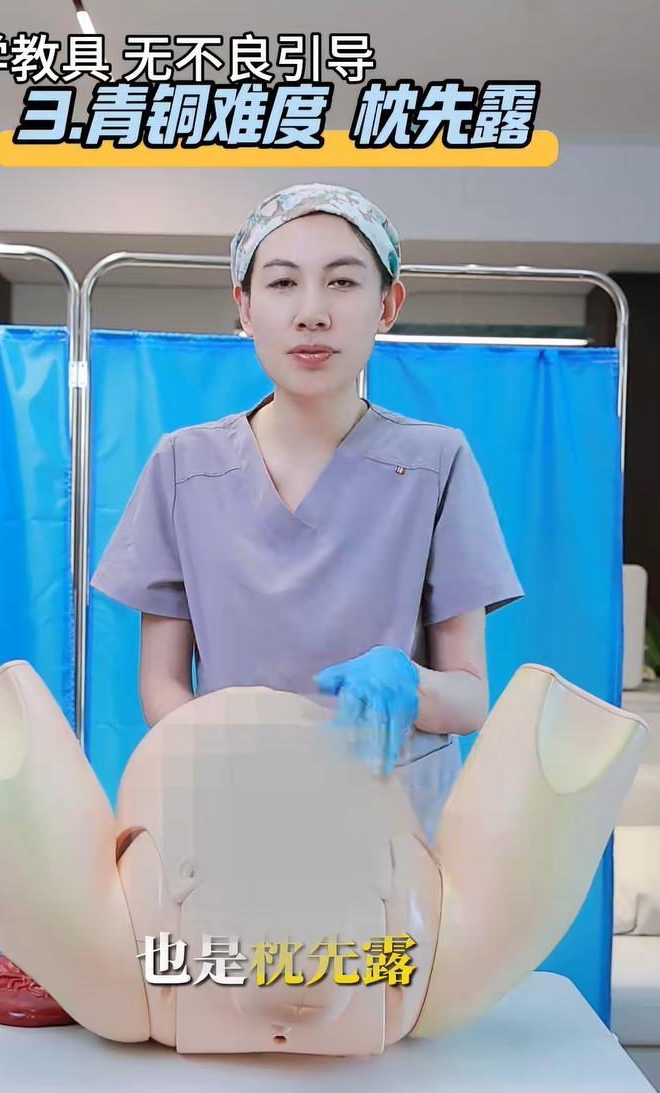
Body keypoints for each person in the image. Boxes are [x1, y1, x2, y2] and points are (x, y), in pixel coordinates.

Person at [91, 181, 525, 841]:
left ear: (388, 305)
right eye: (283, 283)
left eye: (343, 283)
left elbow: (470, 697)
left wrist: (410, 684)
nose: (312, 313)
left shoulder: (437, 463)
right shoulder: (184, 466)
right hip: (232, 813)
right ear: (244, 307)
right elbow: (161, 685)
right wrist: (237, 752)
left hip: (394, 825)